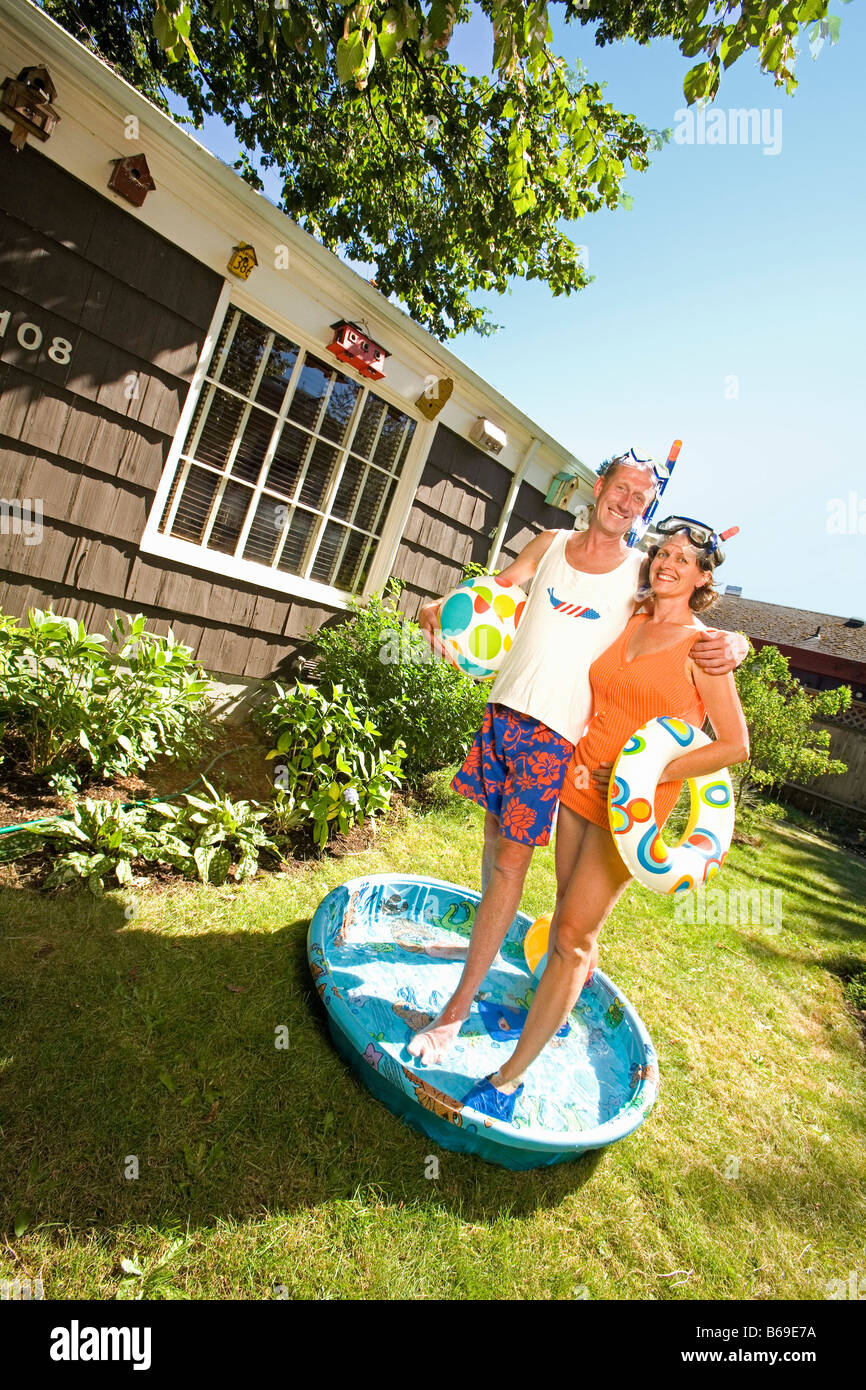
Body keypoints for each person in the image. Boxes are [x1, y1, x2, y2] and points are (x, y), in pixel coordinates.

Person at [408, 452, 750, 1067]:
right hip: (509, 717)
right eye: (621, 488)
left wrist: (737, 643)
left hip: (560, 743)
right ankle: (490, 951)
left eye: (640, 498)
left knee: (521, 873)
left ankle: (458, 1012)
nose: (627, 502)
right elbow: (498, 590)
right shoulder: (557, 547)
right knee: (500, 853)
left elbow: (692, 628)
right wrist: (441, 604)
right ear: (599, 487)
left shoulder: (639, 575)